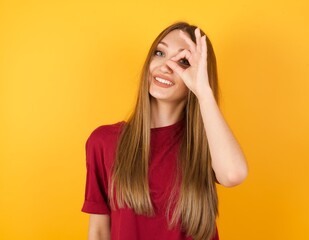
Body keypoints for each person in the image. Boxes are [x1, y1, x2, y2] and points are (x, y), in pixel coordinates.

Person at [81, 21, 248, 240]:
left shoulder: (208, 142)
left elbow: (233, 174)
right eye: (159, 53)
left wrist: (203, 92)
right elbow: (99, 231)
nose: (166, 66)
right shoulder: (103, 141)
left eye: (184, 61)